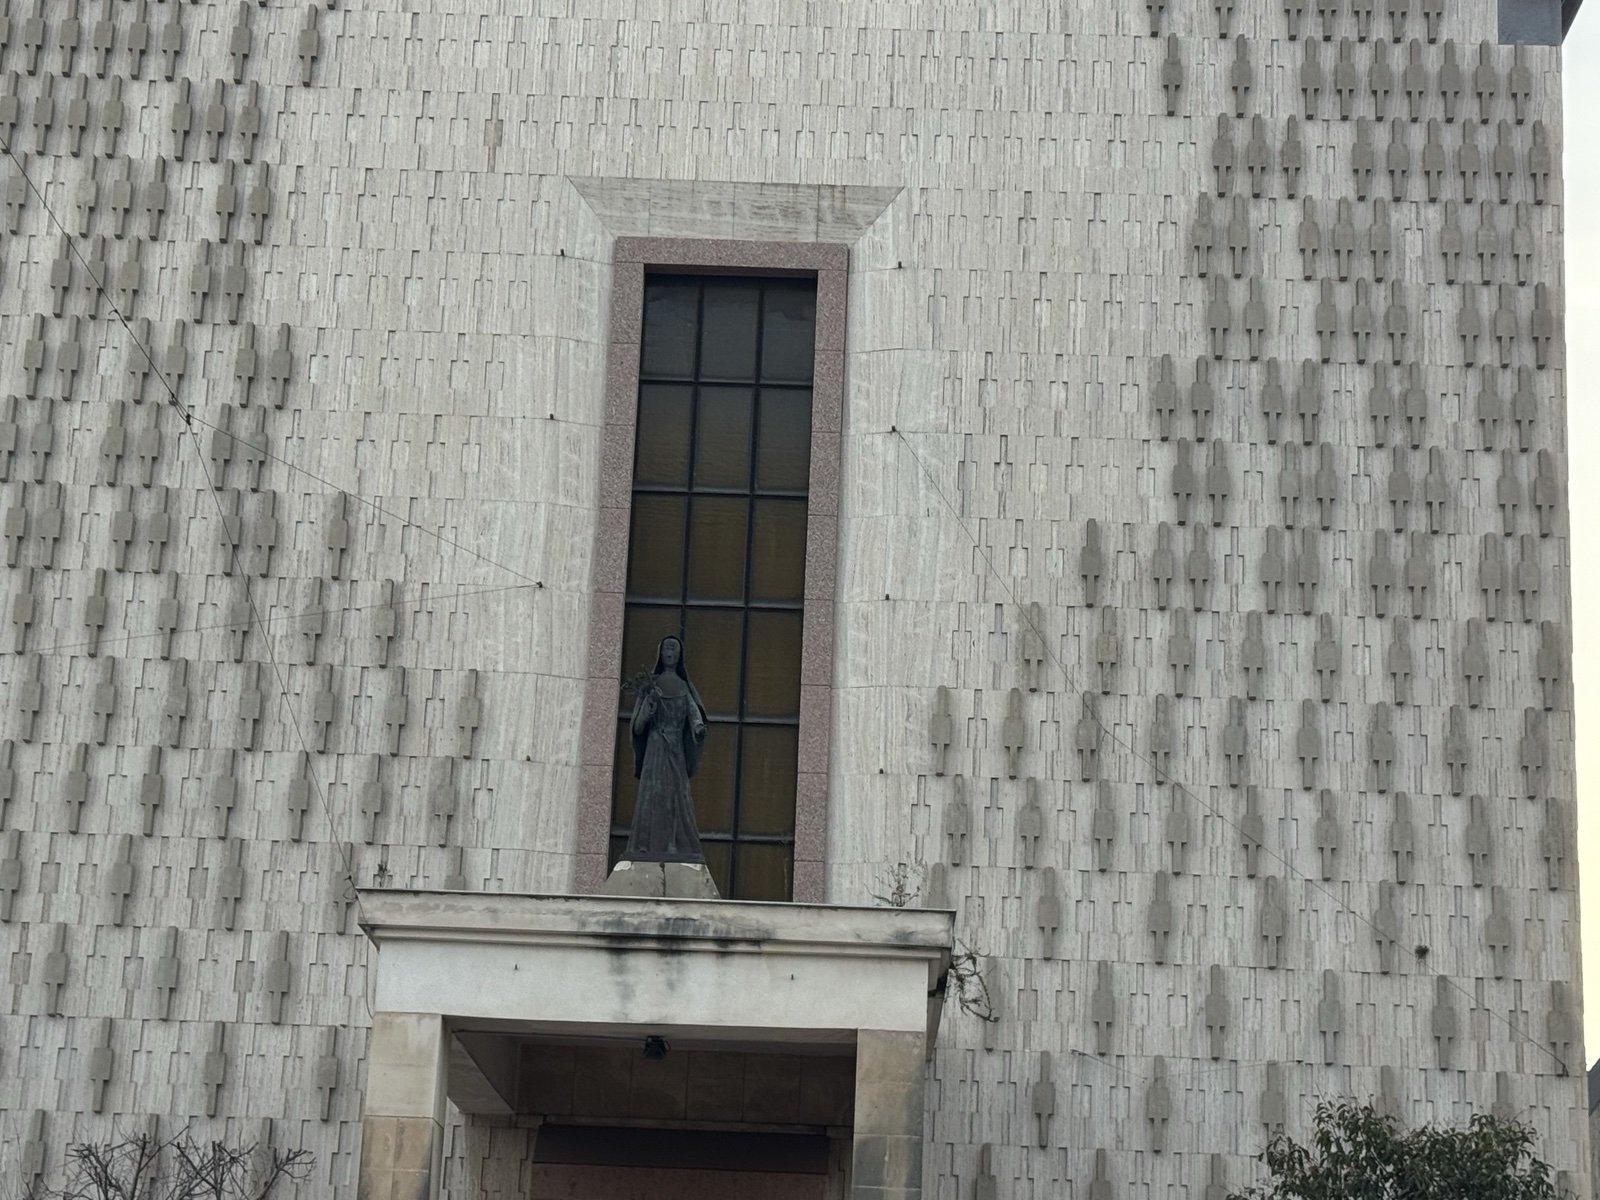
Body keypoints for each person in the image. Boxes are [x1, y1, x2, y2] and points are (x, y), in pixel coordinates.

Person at [625, 635, 709, 863]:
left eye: (675, 648)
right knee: (652, 797)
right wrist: (648, 709)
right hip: (655, 747)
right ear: (660, 653)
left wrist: (698, 728)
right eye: (667, 648)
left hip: (675, 749)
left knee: (676, 795)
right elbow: (639, 726)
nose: (670, 652)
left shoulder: (684, 687)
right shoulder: (650, 685)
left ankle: (675, 843)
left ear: (680, 655)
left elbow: (694, 713)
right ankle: (644, 844)